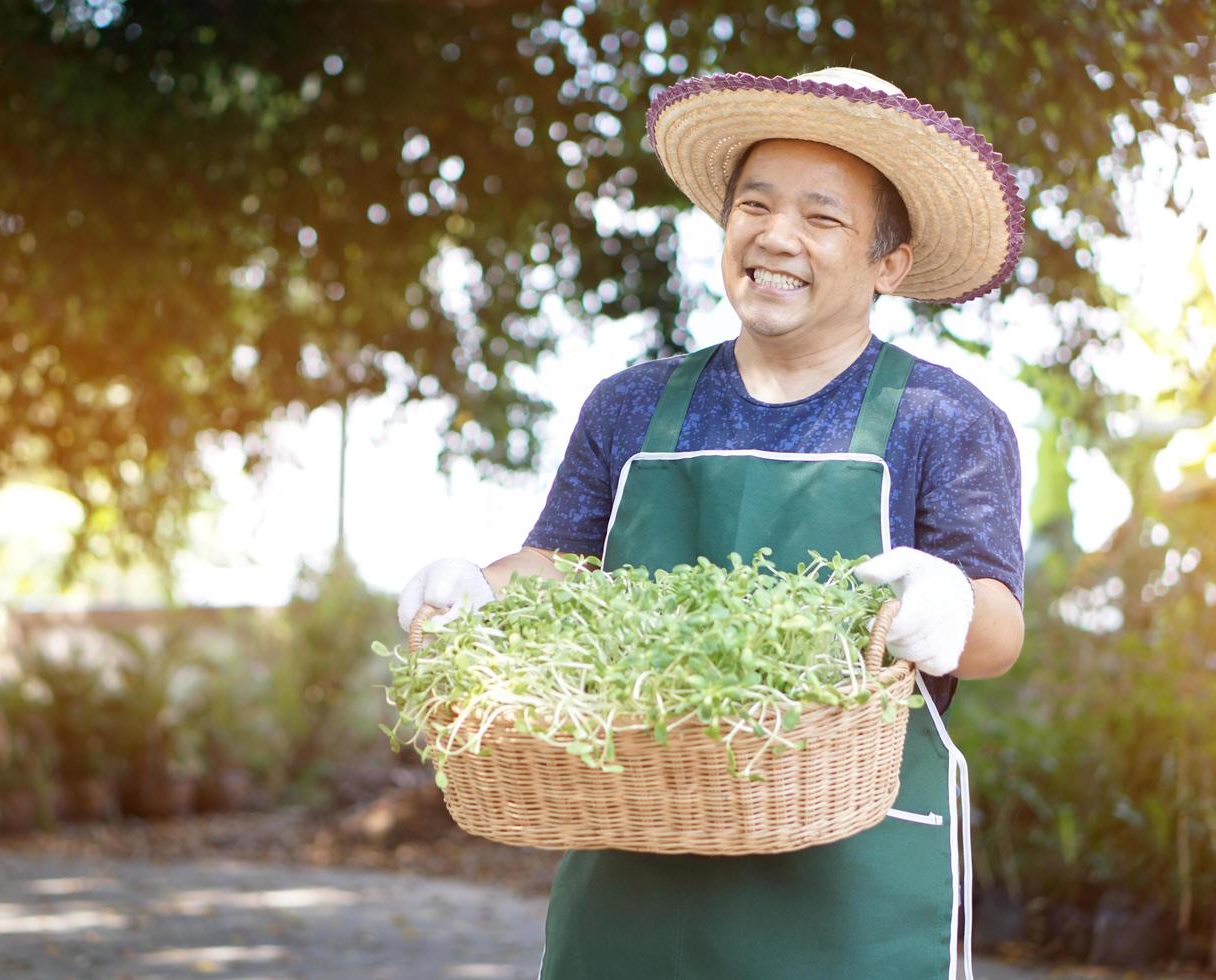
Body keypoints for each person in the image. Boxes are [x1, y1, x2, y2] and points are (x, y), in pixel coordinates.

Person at [397, 67, 1026, 979]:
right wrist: (473, 591)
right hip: (637, 862)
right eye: (755, 205)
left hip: (847, 885)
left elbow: (1000, 628)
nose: (776, 236)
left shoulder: (944, 418)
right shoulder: (631, 406)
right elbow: (559, 567)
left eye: (823, 217)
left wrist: (951, 609)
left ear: (889, 263)